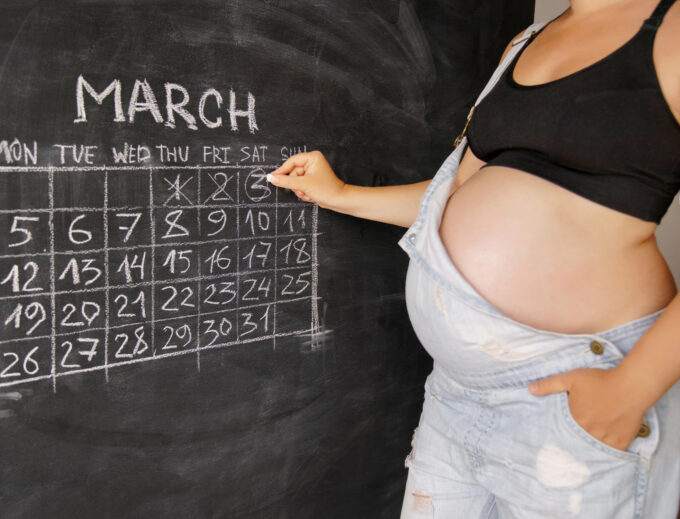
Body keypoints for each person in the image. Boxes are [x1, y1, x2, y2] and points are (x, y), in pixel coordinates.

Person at [267, 0, 680, 517]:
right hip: (455, 396)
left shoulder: (672, 33)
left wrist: (628, 391)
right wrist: (343, 193)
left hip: (576, 399)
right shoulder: (525, 41)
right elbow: (454, 197)